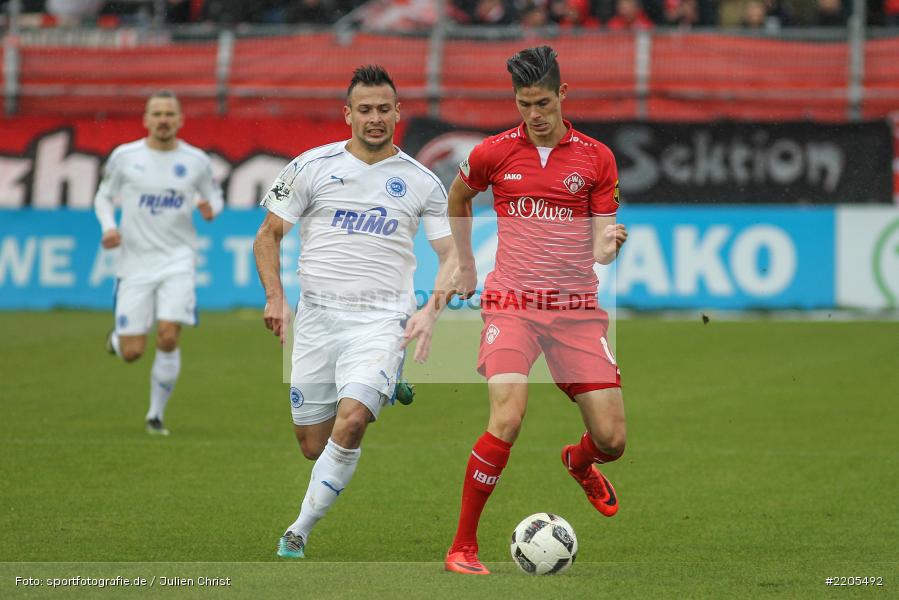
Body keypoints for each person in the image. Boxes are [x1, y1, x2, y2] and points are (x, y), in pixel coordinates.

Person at [253, 65, 456, 559]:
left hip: (382, 319)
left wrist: (430, 310)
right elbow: (268, 235)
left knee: (351, 423)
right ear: (348, 114)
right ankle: (383, 386)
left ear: (397, 113)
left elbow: (453, 255)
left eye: (384, 109)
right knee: (311, 443)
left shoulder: (423, 181)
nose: (375, 118)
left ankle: (297, 531)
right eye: (365, 109)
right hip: (318, 318)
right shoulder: (310, 166)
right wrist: (275, 297)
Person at [443, 46, 628, 575]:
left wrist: (610, 244)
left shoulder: (597, 158)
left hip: (573, 308)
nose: (534, 114)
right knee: (507, 416)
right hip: (513, 304)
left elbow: (598, 245)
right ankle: (462, 547)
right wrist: (467, 267)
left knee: (613, 440)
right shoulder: (492, 152)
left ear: (562, 95)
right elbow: (457, 198)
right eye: (524, 103)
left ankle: (580, 460)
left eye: (543, 101)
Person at [94, 90, 223, 436]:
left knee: (167, 337)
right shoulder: (125, 157)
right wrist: (108, 227)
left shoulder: (196, 160)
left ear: (180, 120)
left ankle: (155, 415)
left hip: (178, 260)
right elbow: (104, 197)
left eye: (169, 114)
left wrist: (213, 207)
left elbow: (215, 195)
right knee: (133, 351)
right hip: (134, 263)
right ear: (146, 120)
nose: (163, 120)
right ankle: (119, 341)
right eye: (157, 114)